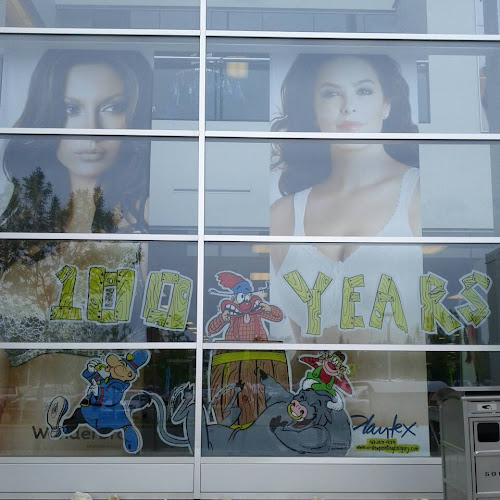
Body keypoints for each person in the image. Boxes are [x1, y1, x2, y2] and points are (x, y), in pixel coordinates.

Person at [0, 49, 153, 455]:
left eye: (112, 108)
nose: (91, 131)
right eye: (70, 109)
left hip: (100, 446)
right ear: (46, 115)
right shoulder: (14, 225)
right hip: (13, 446)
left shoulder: (143, 229)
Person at [270, 54, 424, 345]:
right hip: (313, 375)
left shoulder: (419, 195)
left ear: (386, 105)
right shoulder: (282, 216)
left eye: (363, 91)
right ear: (313, 112)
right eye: (331, 93)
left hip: (400, 375)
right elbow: (302, 342)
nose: (348, 106)